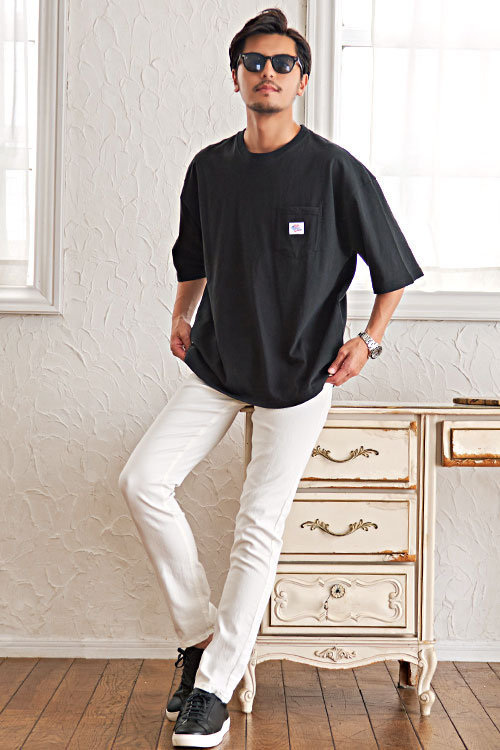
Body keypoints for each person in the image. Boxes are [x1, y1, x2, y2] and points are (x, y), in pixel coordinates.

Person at [118, 7, 424, 748]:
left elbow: (392, 271)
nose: (267, 73)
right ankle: (199, 639)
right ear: (235, 77)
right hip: (220, 363)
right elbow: (193, 256)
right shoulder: (209, 168)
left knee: (257, 525)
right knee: (142, 481)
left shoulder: (335, 171)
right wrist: (182, 313)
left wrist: (369, 343)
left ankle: (213, 689)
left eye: (282, 63)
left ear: (302, 80)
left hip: (301, 373)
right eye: (253, 62)